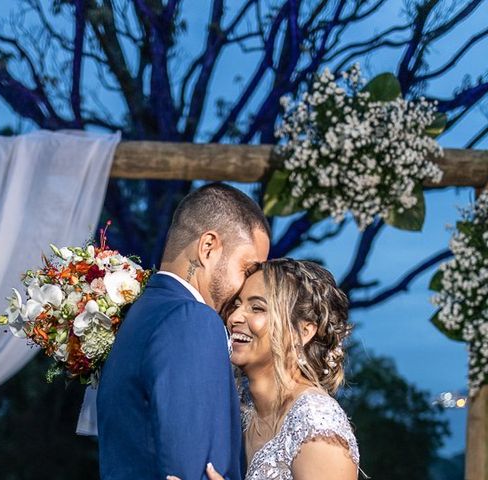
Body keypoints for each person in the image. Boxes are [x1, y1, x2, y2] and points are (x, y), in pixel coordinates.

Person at [97, 183, 271, 480]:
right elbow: (194, 469)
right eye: (247, 268)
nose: (247, 286)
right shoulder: (192, 320)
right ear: (208, 247)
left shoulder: (142, 314)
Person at [170, 259, 359, 480]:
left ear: (302, 332)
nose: (234, 318)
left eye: (257, 308)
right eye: (237, 305)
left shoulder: (317, 424)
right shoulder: (235, 405)